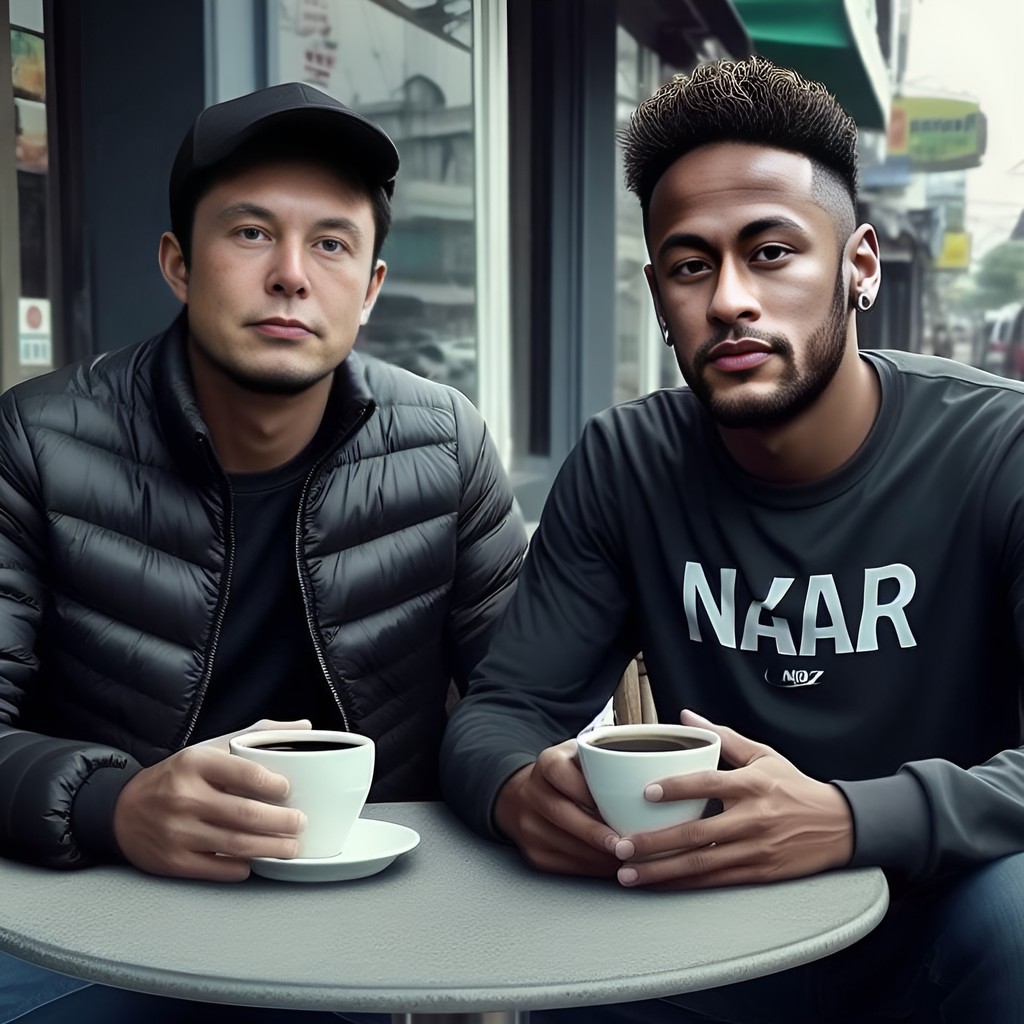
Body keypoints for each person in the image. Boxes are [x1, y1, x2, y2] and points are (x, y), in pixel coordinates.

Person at [440, 56, 1024, 1022]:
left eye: (773, 251)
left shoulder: (997, 445)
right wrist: (516, 792)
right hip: (705, 932)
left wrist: (847, 819)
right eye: (690, 264)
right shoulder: (627, 459)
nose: (730, 300)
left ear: (860, 266)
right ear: (659, 295)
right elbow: (502, 711)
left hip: (939, 923)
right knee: (556, 944)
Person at [0, 82, 525, 1022]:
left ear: (369, 287)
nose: (291, 274)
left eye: (331, 243)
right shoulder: (38, 442)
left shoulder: (443, 444)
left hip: (367, 919)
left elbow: (521, 698)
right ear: (177, 263)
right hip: (106, 907)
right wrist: (111, 806)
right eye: (249, 233)